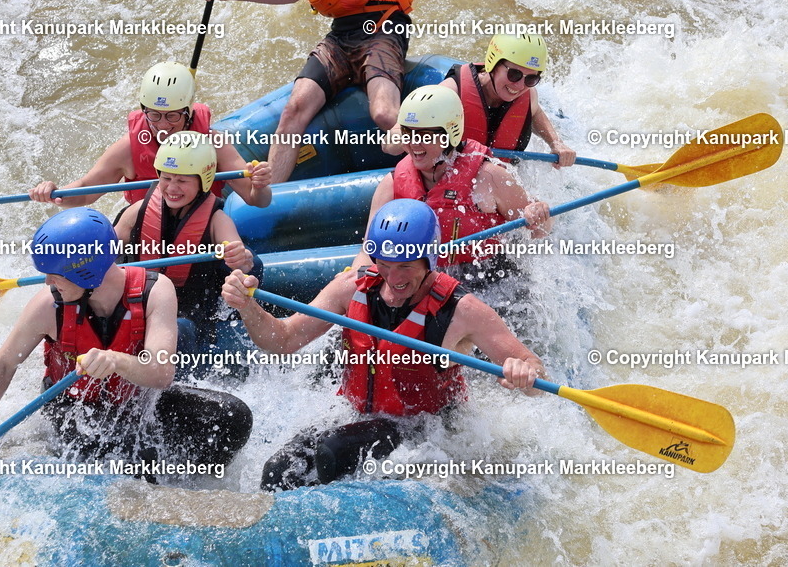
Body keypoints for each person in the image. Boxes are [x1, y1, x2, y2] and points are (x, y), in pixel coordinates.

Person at [221, 199, 546, 490]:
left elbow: (534, 374)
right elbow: (284, 340)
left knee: (334, 450)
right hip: (359, 414)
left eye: (405, 266)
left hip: (426, 428)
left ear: (429, 259)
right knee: (278, 471)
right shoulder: (350, 288)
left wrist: (522, 372)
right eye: (385, 264)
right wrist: (249, 308)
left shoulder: (463, 310)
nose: (394, 277)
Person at [0, 208, 252, 472]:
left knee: (232, 416)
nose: (48, 283)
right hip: (74, 410)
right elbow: (4, 363)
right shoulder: (48, 306)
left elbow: (162, 373)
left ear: (86, 271)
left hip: (139, 402)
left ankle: (192, 482)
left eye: (55, 275)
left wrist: (115, 360)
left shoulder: (155, 290)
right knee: (137, 454)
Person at [204, 0, 414, 183]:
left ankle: (444, 163)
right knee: (293, 110)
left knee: (383, 113)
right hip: (340, 38)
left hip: (383, 27)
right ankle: (270, 199)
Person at [353, 85, 553, 272]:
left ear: (450, 135)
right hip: (424, 280)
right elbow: (367, 250)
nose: (413, 143)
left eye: (424, 135)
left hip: (489, 277)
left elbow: (541, 232)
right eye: (407, 133)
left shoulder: (489, 178)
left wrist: (538, 214)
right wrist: (354, 275)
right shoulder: (392, 184)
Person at [30, 61, 272, 208]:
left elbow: (256, 200)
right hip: (148, 231)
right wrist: (54, 194)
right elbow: (84, 193)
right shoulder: (128, 149)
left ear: (188, 113)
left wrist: (260, 186)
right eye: (154, 115)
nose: (163, 126)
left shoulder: (213, 142)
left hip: (202, 229)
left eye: (172, 116)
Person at [114, 131, 260, 350]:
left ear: (204, 180)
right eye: (166, 178)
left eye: (182, 180)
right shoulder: (136, 212)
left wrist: (242, 258)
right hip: (139, 302)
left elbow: (243, 262)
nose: (172, 188)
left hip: (189, 313)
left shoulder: (217, 220)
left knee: (178, 329)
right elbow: (105, 249)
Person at [440, 34, 576, 168]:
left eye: (531, 79)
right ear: (493, 65)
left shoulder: (529, 95)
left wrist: (555, 142)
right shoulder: (450, 93)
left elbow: (535, 113)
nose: (520, 86)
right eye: (514, 74)